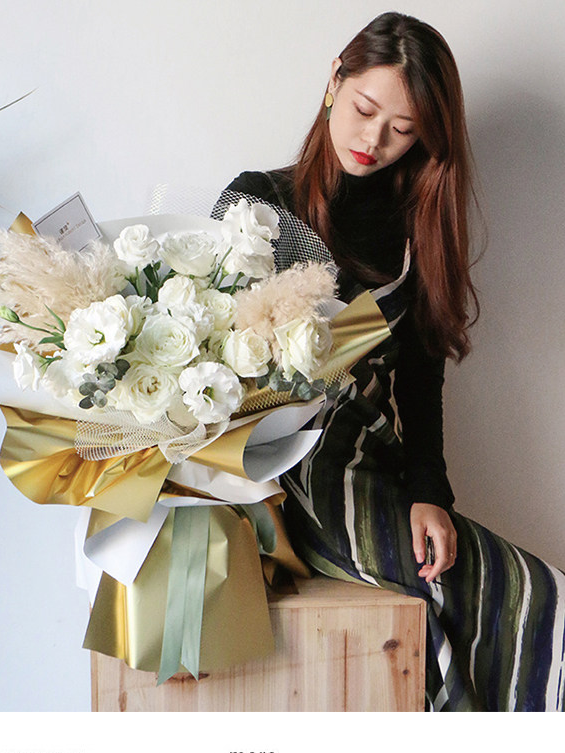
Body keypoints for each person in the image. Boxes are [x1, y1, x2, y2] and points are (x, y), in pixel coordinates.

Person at [212, 11, 564, 711]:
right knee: (451, 600)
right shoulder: (258, 205)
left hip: (376, 466)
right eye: (365, 109)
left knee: (539, 594)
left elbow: (421, 376)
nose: (373, 140)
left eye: (402, 129)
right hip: (284, 476)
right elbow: (214, 363)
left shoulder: (417, 227)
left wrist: (431, 491)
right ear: (333, 82)